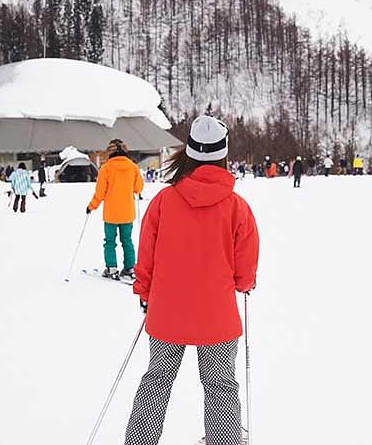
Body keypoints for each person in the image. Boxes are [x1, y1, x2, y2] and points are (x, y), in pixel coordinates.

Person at [126, 115, 259, 445]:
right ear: (223, 155)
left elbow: (147, 256)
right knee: (221, 386)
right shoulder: (237, 207)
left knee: (156, 380)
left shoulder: (163, 202)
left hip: (167, 312)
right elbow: (245, 271)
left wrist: (144, 290)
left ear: (190, 153)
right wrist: (244, 282)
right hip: (216, 316)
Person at [86, 139, 144, 281]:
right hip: (127, 212)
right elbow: (138, 188)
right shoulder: (133, 167)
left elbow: (100, 193)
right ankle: (130, 267)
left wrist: (91, 206)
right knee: (127, 241)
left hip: (111, 213)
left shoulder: (106, 168)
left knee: (110, 241)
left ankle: (112, 268)